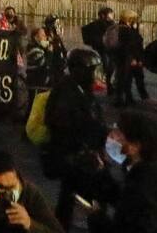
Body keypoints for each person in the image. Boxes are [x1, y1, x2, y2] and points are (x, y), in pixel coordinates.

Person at [45, 48, 113, 231]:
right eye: (91, 70)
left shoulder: (78, 88)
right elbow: (65, 126)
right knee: (87, 197)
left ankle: (61, 226)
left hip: (80, 155)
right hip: (77, 156)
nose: (94, 75)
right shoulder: (67, 93)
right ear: (80, 70)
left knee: (69, 197)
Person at [88, 111, 157, 233]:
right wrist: (102, 174)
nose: (112, 137)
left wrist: (97, 219)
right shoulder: (141, 173)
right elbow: (123, 200)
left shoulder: (142, 186)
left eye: (118, 134)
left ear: (135, 146)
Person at [114, 9, 148, 107]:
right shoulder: (125, 30)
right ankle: (122, 100)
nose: (136, 22)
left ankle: (127, 98)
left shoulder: (123, 28)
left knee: (125, 78)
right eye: (134, 19)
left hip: (125, 58)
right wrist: (135, 59)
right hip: (128, 58)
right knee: (125, 79)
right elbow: (130, 46)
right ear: (129, 19)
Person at [82, 8, 115, 95]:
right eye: (110, 15)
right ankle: (106, 85)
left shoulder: (111, 24)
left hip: (109, 50)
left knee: (110, 67)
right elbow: (86, 32)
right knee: (106, 67)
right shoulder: (97, 25)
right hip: (102, 50)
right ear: (103, 16)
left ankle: (109, 85)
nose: (112, 16)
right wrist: (97, 42)